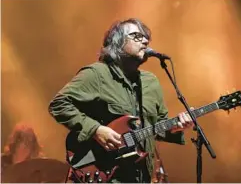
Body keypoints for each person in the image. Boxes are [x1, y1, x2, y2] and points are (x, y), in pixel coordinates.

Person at [48, 18, 193, 183]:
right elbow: (59, 104)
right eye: (136, 36)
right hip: (103, 173)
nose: (145, 41)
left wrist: (176, 127)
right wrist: (95, 130)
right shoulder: (97, 74)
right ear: (117, 42)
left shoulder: (150, 82)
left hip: (141, 177)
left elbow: (157, 126)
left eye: (146, 37)